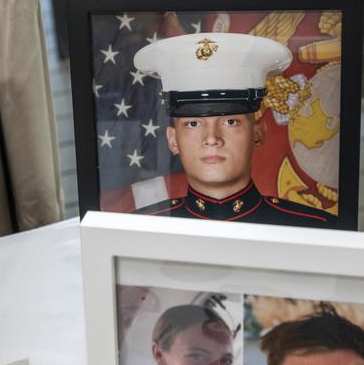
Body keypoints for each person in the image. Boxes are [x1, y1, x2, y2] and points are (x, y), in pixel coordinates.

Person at [131, 32, 336, 226]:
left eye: (230, 122)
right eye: (193, 123)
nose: (212, 138)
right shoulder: (138, 232)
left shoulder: (315, 230)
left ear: (257, 134)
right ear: (173, 140)